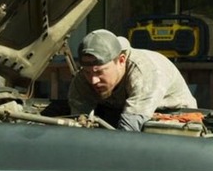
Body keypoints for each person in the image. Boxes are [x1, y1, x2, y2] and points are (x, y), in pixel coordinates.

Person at [68, 29, 197, 131]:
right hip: (122, 116)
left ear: (121, 60)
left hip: (174, 126)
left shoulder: (144, 71)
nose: (93, 80)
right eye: (87, 72)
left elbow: (129, 130)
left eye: (99, 72)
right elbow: (76, 123)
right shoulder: (83, 78)